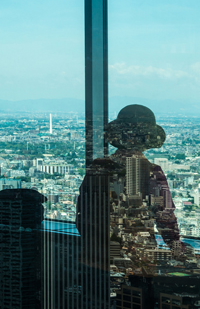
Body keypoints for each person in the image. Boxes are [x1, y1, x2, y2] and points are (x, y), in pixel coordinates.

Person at [76, 104, 185, 275]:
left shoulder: (97, 167)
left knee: (97, 300)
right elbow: (165, 216)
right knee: (132, 300)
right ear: (147, 139)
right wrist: (176, 246)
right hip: (135, 260)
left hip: (95, 257)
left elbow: (82, 212)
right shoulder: (150, 171)